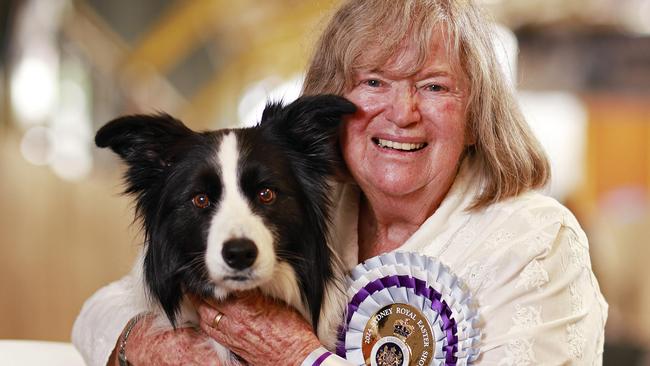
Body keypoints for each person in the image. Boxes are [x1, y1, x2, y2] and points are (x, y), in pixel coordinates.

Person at [72, 0, 608, 365]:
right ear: (336, 107)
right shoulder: (307, 204)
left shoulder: (536, 242)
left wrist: (298, 357)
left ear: (477, 117)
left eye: (435, 86)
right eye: (374, 82)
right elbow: (104, 307)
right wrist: (141, 341)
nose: (403, 112)